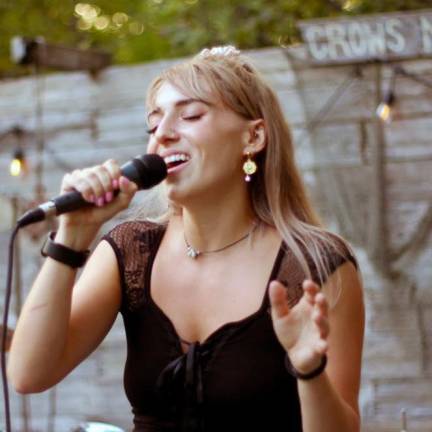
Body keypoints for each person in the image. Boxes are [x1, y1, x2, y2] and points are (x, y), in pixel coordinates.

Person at [8, 46, 364, 432]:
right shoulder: (132, 251)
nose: (163, 133)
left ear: (253, 136)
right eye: (153, 123)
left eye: (191, 115)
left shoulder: (315, 264)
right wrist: (71, 239)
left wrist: (310, 371)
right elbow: (29, 374)